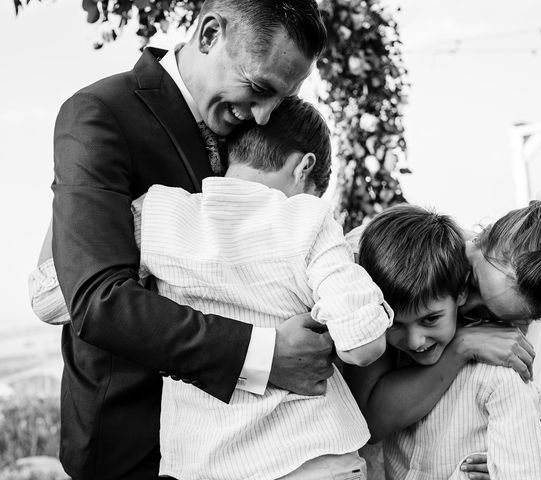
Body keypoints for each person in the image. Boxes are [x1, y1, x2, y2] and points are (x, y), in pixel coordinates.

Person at [33, 96, 392, 479]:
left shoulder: (158, 214)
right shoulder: (308, 218)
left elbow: (50, 297)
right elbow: (363, 346)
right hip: (315, 460)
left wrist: (81, 189)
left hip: (206, 467)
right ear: (305, 167)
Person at [49, 1, 328, 478]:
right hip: (138, 447)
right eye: (258, 88)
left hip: (253, 448)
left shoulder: (252, 127)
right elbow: (98, 300)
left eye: (278, 100)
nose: (262, 118)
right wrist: (263, 355)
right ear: (208, 33)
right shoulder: (99, 114)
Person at [344, 202, 541, 479]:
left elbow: (512, 407)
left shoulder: (522, 305)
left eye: (491, 314)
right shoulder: (399, 264)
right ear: (480, 239)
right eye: (475, 283)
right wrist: (462, 345)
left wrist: (520, 446)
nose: (465, 302)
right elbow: (370, 418)